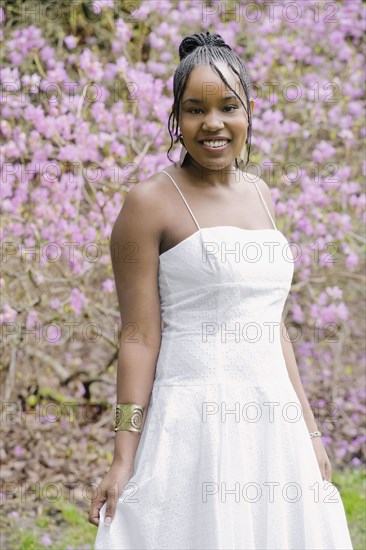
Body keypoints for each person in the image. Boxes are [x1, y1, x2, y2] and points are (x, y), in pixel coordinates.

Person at [89, 31, 353, 549]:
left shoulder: (262, 194)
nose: (212, 123)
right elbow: (138, 337)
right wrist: (123, 456)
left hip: (272, 425)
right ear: (177, 118)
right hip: (194, 423)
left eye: (227, 107)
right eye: (194, 110)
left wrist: (310, 434)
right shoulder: (148, 204)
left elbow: (273, 327)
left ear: (249, 111)